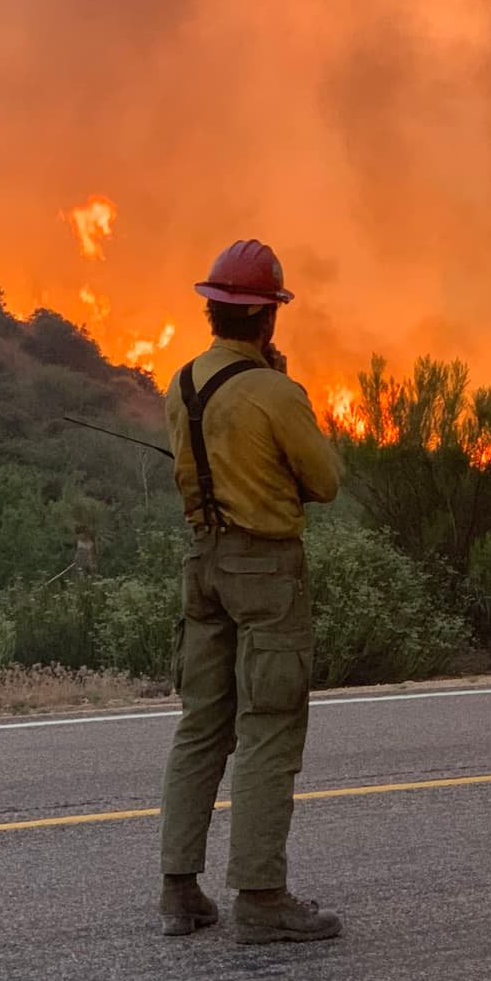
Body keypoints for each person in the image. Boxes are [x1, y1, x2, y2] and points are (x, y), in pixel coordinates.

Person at [158, 239, 342, 945]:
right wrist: (283, 388)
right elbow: (324, 480)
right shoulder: (274, 391)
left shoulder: (181, 384)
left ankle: (179, 892)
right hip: (264, 571)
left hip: (200, 565)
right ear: (268, 317)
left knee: (201, 725)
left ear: (213, 312)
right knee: (268, 728)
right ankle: (262, 899)